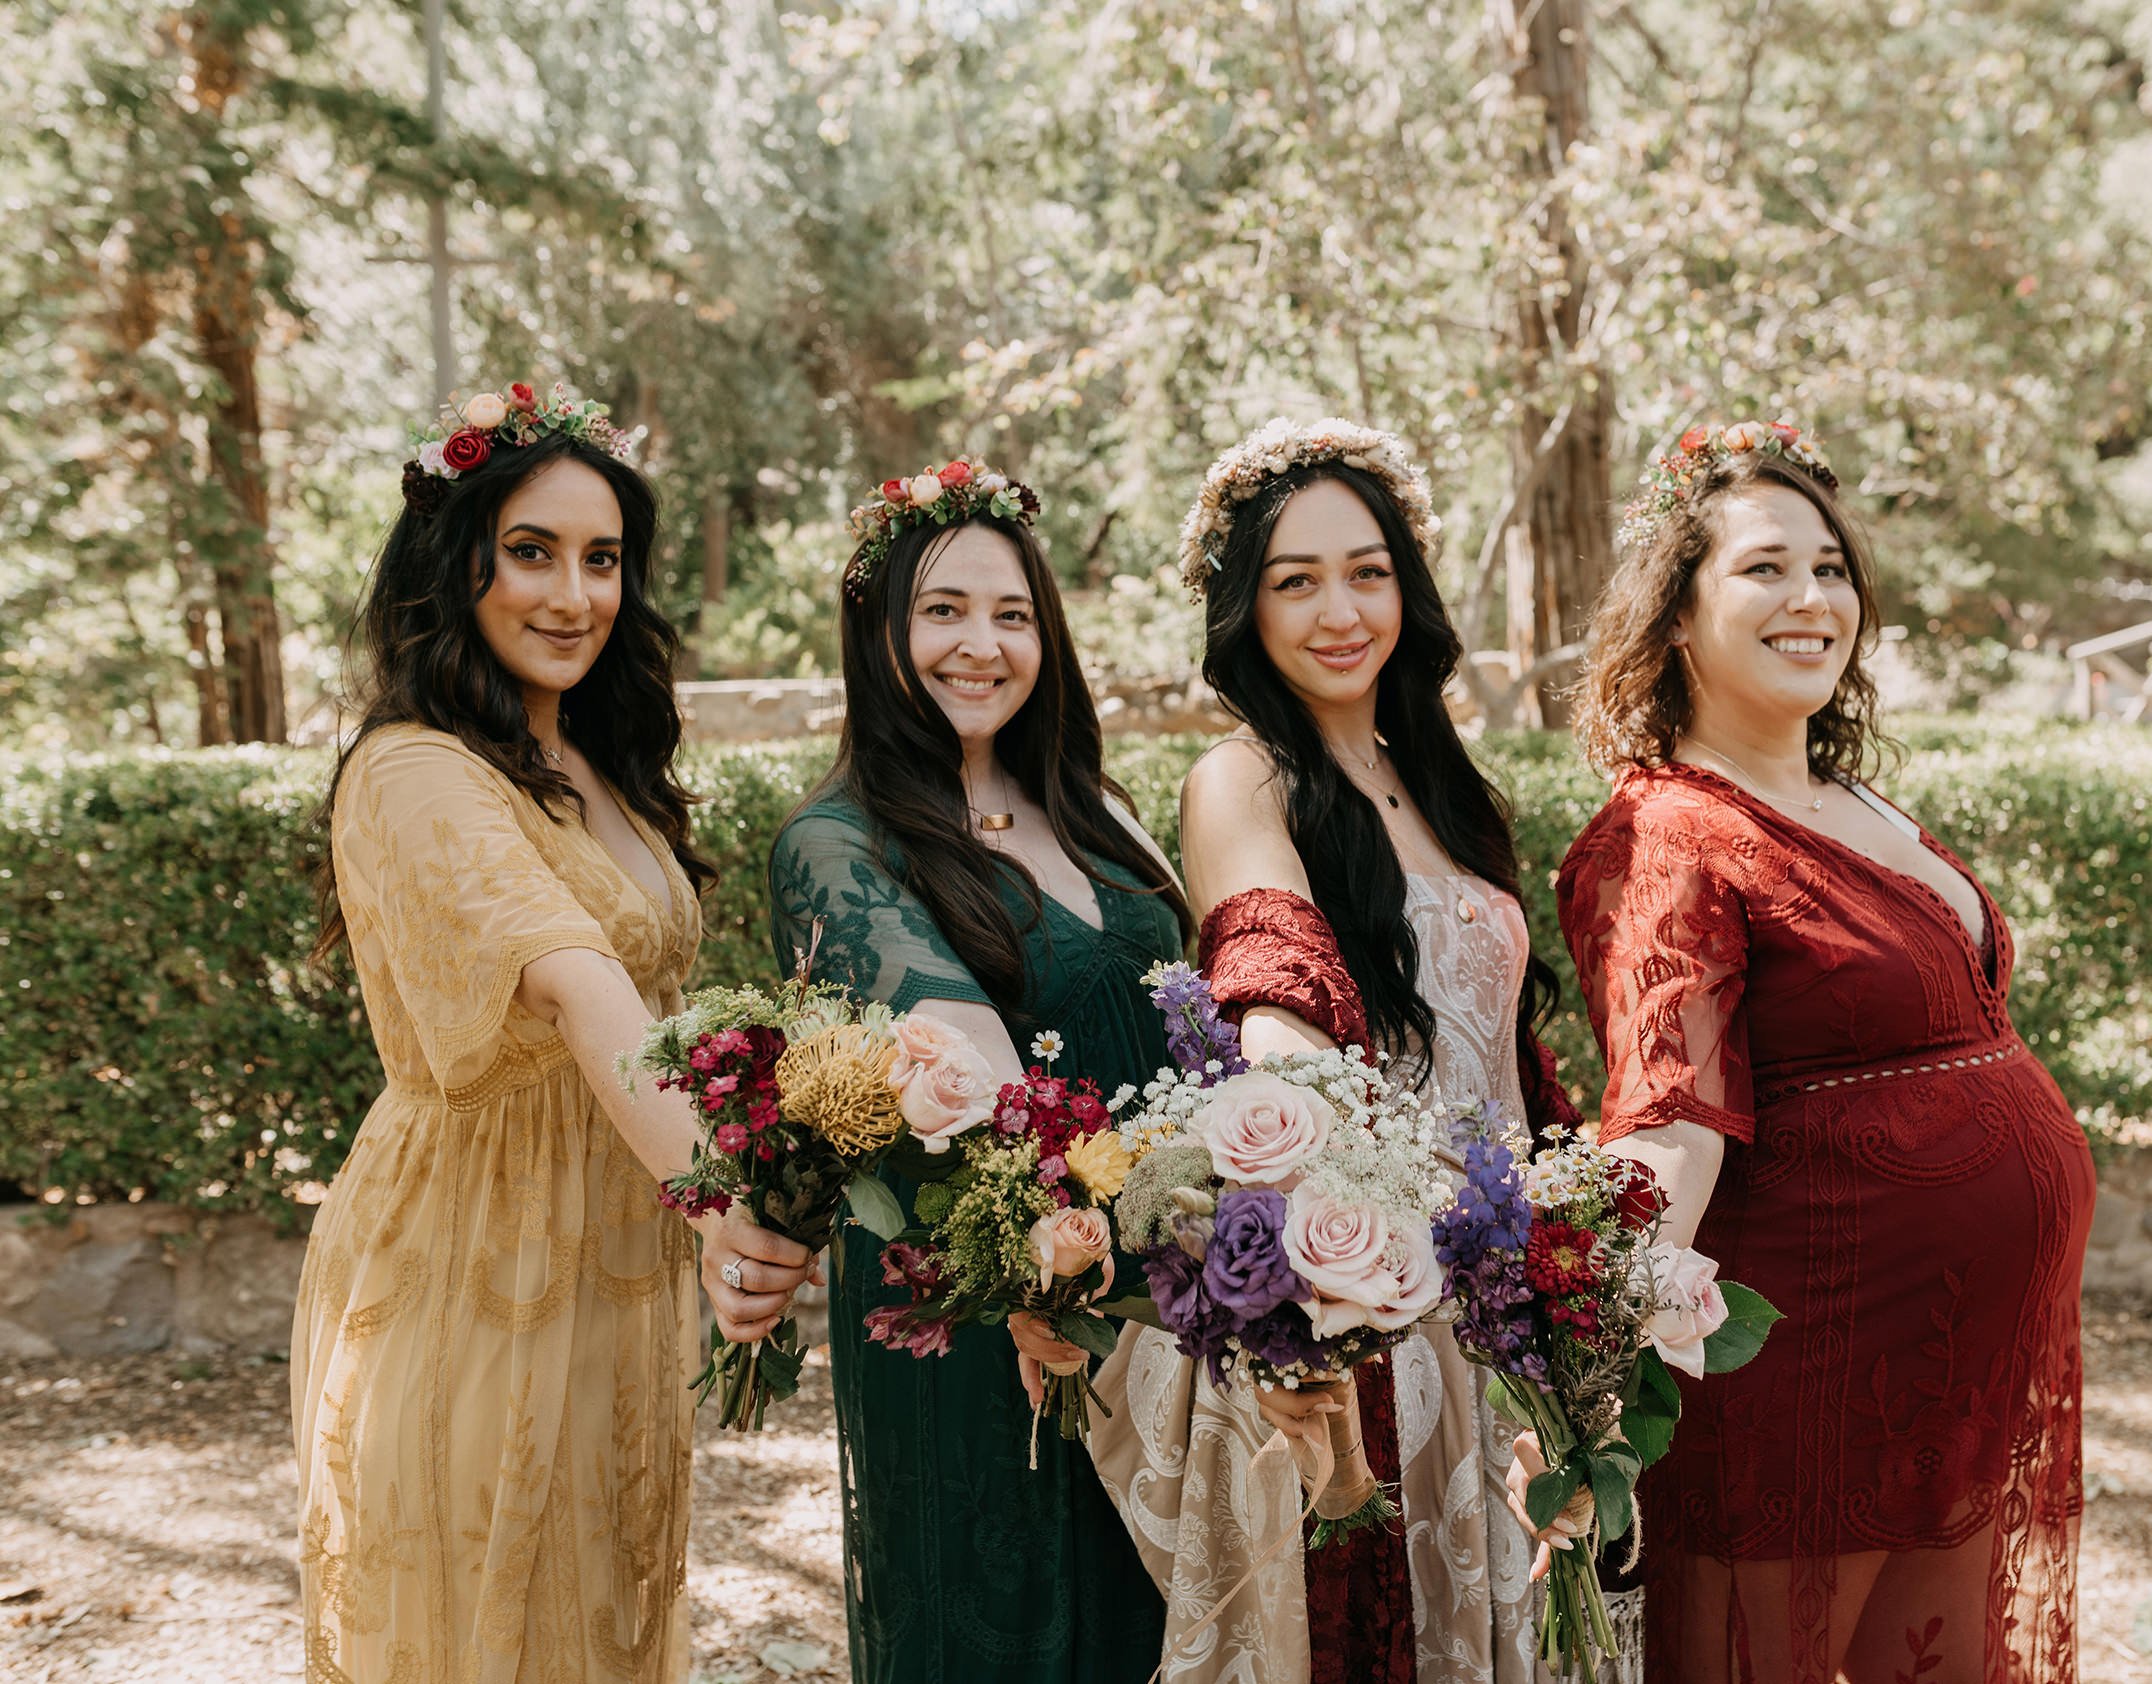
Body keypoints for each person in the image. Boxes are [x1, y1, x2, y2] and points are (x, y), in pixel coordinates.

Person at [1544, 420, 2094, 1681]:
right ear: (1675, 618)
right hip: (1811, 1376)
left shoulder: (1855, 799)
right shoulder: (1670, 835)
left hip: (1954, 1369)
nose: (1812, 598)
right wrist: (1593, 1375)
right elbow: (1667, 1120)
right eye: (1764, 569)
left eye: (1832, 568)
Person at [294, 383, 815, 1683]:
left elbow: (656, 1014)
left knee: (605, 1622)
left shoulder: (595, 757)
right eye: (531, 552)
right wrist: (721, 1208)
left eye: (602, 559)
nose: (573, 594)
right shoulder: (413, 768)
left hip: (616, 1265)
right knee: (482, 1634)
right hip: (471, 1260)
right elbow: (584, 992)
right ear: (453, 559)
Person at [1088, 419, 1592, 1684]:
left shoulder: (1449, 784)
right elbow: (1274, 987)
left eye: (1365, 571)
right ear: (1242, 608)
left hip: (1500, 1289)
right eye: (1293, 580)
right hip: (1365, 1280)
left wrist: (1586, 1268)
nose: (1337, 610)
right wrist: (1313, 1251)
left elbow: (1504, 1053)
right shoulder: (1241, 778)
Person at [767, 460, 1189, 1684]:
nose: (981, 644)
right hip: (980, 1312)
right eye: (941, 610)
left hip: (1158, 1300)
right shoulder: (838, 843)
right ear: (879, 629)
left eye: (1012, 614)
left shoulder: (1096, 808)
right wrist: (1077, 1256)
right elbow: (977, 1090)